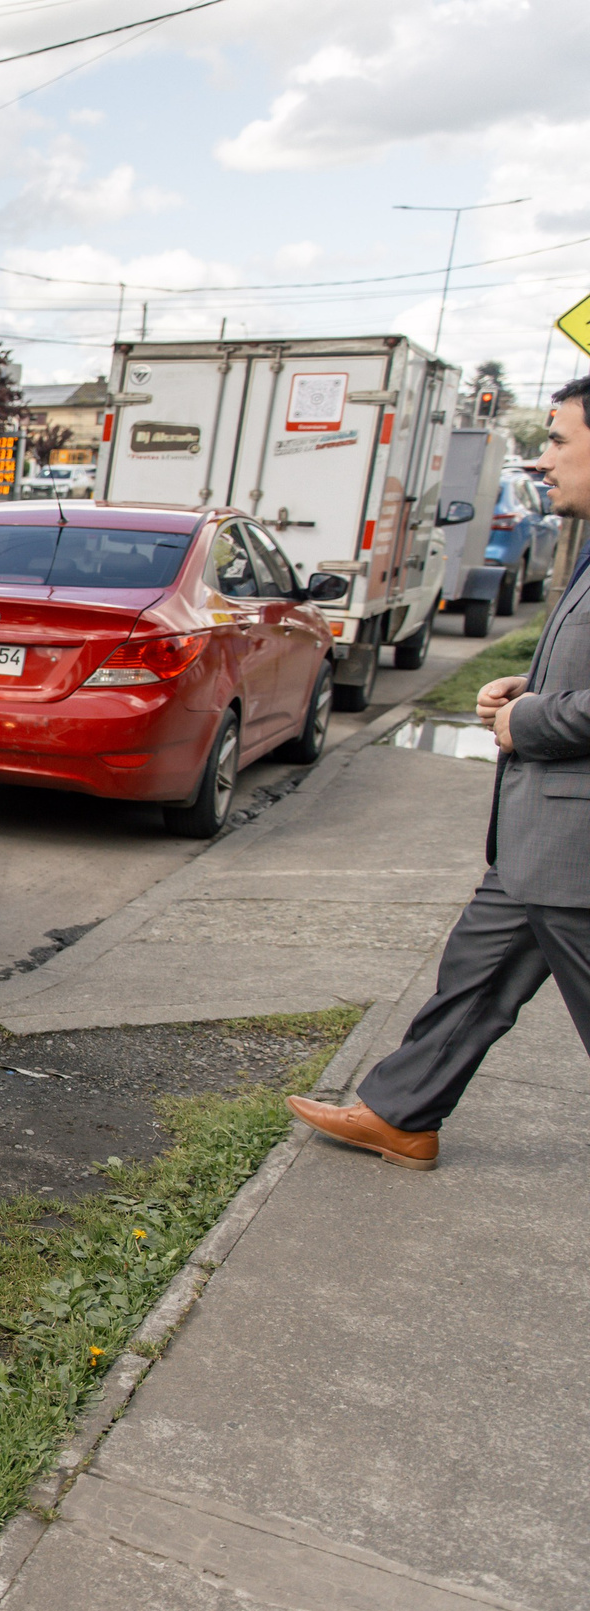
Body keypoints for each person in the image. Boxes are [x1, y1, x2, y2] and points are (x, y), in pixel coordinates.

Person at [290, 377, 590, 1168]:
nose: (545, 458)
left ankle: (402, 1111)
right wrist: (529, 689)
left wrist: (525, 721)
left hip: (576, 852)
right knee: (474, 974)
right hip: (541, 839)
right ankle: (402, 1115)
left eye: (558, 439)